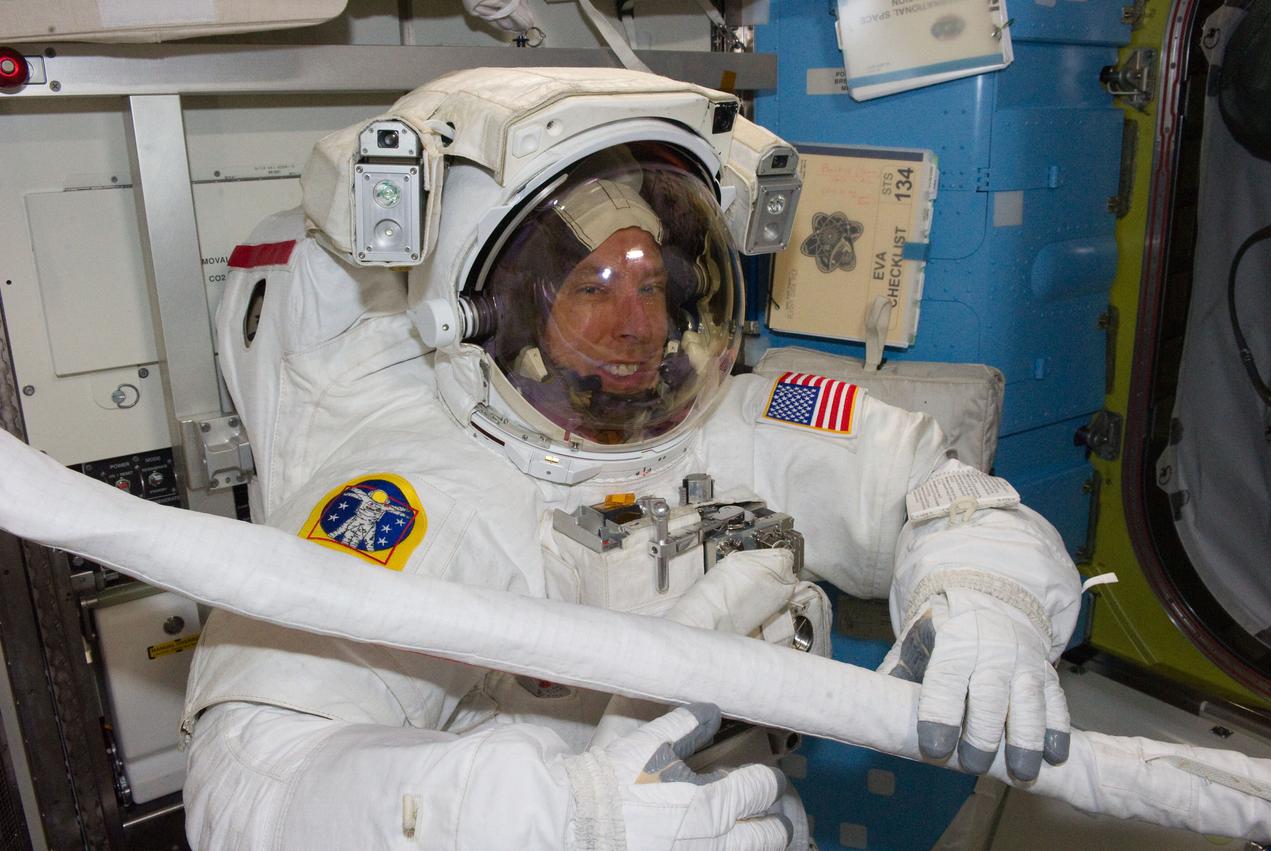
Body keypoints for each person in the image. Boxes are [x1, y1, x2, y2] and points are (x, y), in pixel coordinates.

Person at [179, 68, 1082, 850]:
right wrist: (534, 818)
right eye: (593, 290)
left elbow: (943, 495)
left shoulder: (738, 416)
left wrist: (987, 599)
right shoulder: (417, 492)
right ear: (504, 309)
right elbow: (250, 775)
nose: (638, 325)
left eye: (653, 286)